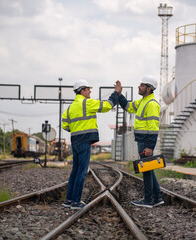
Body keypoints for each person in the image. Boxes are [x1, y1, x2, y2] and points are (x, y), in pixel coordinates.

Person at [62, 79, 122, 209]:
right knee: (82, 172)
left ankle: (69, 200)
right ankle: (76, 202)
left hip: (75, 140)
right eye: (88, 89)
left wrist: (77, 129)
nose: (90, 91)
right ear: (82, 90)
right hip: (84, 140)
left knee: (75, 170)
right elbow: (107, 105)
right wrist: (116, 93)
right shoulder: (87, 103)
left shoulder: (70, 107)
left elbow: (65, 124)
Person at [117, 76, 164, 208]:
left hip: (145, 142)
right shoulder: (143, 101)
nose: (139, 87)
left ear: (148, 89)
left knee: (147, 170)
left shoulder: (152, 104)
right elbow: (127, 106)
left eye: (142, 85)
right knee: (149, 168)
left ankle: (148, 200)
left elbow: (154, 128)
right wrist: (120, 95)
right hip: (142, 141)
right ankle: (157, 197)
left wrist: (150, 147)